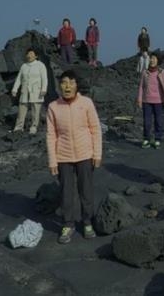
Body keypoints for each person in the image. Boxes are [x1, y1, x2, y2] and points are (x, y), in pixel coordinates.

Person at [47, 70, 102, 243]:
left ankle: (87, 222)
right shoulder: (53, 107)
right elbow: (51, 135)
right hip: (63, 156)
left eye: (71, 82)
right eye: (64, 82)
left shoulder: (86, 103)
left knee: (86, 190)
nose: (67, 86)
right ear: (60, 85)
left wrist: (97, 153)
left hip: (85, 154)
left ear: (77, 85)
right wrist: (52, 160)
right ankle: (68, 224)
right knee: (66, 192)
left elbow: (95, 129)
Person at [137, 53, 164, 149]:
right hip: (146, 100)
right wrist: (139, 99)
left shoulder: (162, 72)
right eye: (151, 58)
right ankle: (146, 139)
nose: (152, 60)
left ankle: (157, 139)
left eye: (154, 58)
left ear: (158, 61)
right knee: (147, 122)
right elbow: (141, 87)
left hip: (159, 101)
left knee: (158, 121)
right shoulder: (145, 72)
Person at [11, 49, 48, 134]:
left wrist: (44, 89)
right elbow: (19, 79)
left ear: (36, 56)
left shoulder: (40, 65)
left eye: (31, 53)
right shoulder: (24, 66)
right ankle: (19, 127)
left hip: (36, 91)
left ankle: (33, 127)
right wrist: (14, 89)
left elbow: (44, 78)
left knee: (35, 110)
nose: (29, 55)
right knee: (22, 109)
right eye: (28, 53)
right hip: (25, 91)